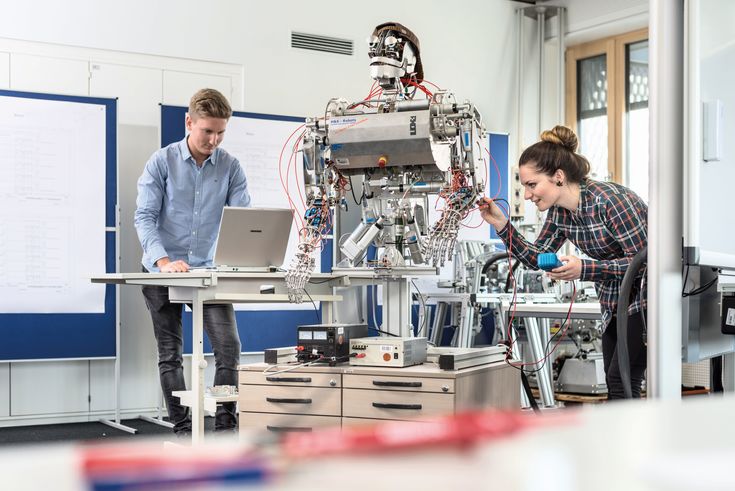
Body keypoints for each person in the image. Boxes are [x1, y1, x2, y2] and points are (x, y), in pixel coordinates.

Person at [479, 125, 647, 400]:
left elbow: (644, 262)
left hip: (646, 299)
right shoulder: (560, 213)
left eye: (532, 185)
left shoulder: (610, 201)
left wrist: (584, 269)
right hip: (614, 302)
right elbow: (536, 257)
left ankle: (633, 442)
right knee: (616, 381)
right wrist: (501, 224)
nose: (529, 194)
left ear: (558, 176)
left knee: (622, 382)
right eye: (525, 187)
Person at [134, 88, 251, 435]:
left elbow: (243, 219)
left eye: (220, 132)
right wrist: (165, 261)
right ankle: (184, 429)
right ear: (189, 122)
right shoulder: (161, 161)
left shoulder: (230, 167)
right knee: (171, 351)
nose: (214, 140)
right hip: (161, 270)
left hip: (208, 272)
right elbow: (144, 216)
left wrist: (246, 254)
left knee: (228, 348)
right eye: (207, 131)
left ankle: (226, 428)